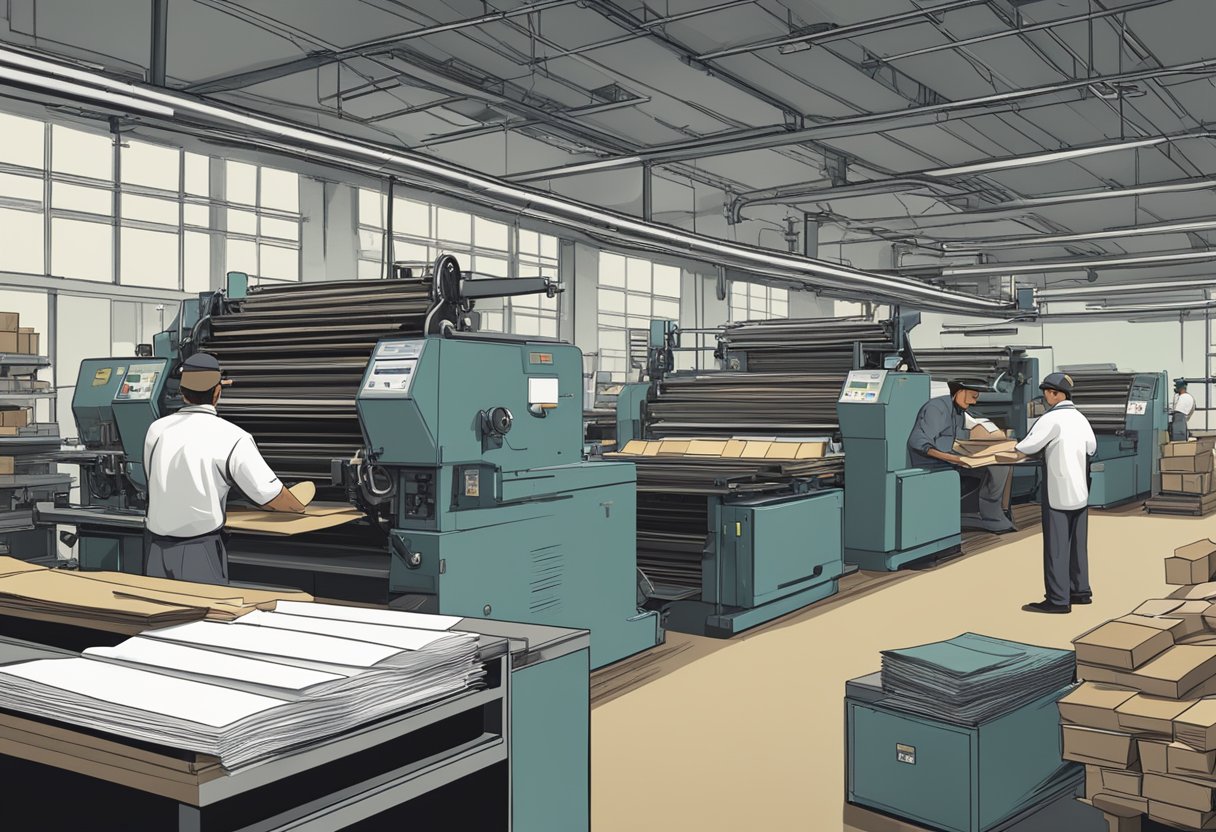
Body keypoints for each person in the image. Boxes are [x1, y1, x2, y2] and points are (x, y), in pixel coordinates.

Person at [143, 353, 308, 584]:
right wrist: (298, 506)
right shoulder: (233, 437)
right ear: (217, 392)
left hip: (155, 549)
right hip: (198, 551)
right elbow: (269, 495)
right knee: (201, 616)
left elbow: (153, 479)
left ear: (182, 393)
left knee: (161, 613)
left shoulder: (156, 430)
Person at [1013, 372, 1097, 614]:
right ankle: (1080, 592)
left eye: (1045, 394)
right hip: (1080, 490)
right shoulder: (1081, 418)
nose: (1044, 398)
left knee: (1057, 547)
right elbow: (1092, 447)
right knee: (1078, 545)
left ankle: (1058, 600)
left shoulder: (1052, 419)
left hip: (1058, 491)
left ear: (1053, 394)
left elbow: (1026, 446)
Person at [907, 378, 1016, 534]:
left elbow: (956, 436)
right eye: (972, 396)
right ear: (959, 391)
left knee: (1001, 464)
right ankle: (988, 516)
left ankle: (991, 514)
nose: (973, 402)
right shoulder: (936, 408)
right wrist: (956, 459)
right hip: (933, 463)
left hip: (950, 458)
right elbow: (918, 442)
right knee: (995, 467)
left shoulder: (958, 411)